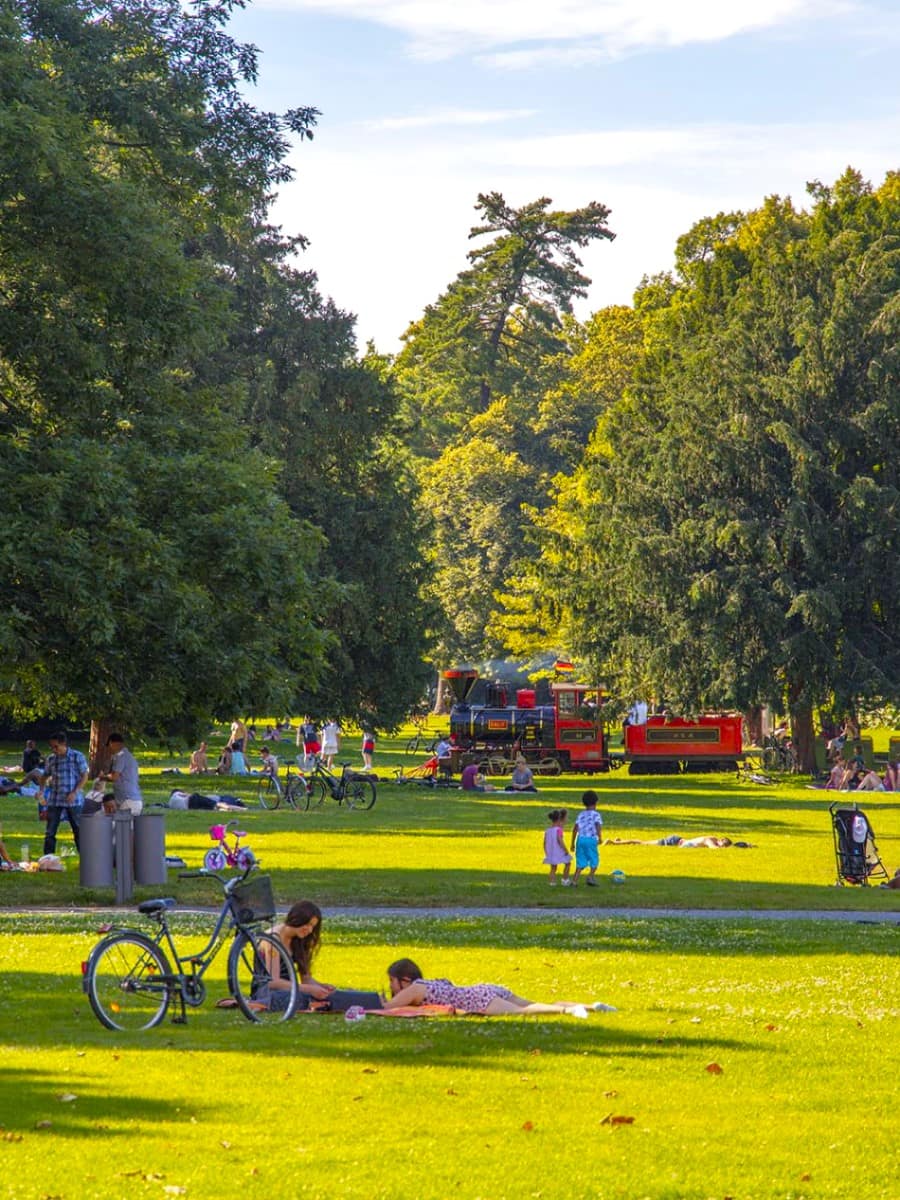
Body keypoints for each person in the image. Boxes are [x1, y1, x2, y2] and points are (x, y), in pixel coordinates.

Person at [382, 958, 614, 1018]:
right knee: (533, 1004)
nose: (391, 986)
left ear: (404, 979)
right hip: (485, 989)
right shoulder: (428, 984)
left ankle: (568, 1010)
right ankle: (592, 1006)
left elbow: (388, 1008)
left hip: (478, 999)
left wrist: (382, 1001)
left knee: (522, 1012)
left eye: (392, 981)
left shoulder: (414, 989)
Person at [262, 900, 383, 1013]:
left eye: (313, 927)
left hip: (291, 991)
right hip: (269, 995)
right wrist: (309, 989)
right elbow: (272, 983)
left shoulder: (298, 939)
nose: (310, 930)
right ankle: (376, 1002)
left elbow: (306, 979)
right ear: (297, 919)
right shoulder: (273, 939)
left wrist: (320, 986)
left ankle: (376, 1000)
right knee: (317, 998)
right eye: (308, 925)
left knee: (328, 995)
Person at [42, 731, 88, 857]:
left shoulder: (77, 756)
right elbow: (44, 776)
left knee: (78, 830)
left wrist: (75, 792)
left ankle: (85, 857)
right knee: (50, 832)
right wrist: (41, 790)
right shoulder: (51, 759)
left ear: (63, 744)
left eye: (56, 746)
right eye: (51, 747)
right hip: (55, 799)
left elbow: (85, 776)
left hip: (73, 800)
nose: (54, 750)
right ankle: (48, 858)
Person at [97, 732, 143, 815]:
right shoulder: (129, 756)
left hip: (127, 801)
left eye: (109, 746)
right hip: (134, 799)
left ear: (111, 743)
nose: (109, 749)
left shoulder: (120, 757)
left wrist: (103, 777)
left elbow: (114, 777)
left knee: (122, 823)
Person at [571, 790, 603, 887]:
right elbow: (598, 825)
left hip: (580, 839)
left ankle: (574, 881)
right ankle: (590, 877)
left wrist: (572, 843)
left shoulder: (581, 814)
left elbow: (575, 829)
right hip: (591, 840)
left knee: (580, 861)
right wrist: (600, 837)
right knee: (594, 859)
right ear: (596, 802)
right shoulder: (596, 815)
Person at [543, 810, 572, 885]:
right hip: (559, 851)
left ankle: (552, 882)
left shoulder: (547, 830)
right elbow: (560, 840)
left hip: (551, 852)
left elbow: (544, 842)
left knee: (553, 868)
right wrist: (565, 849)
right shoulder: (558, 830)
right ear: (559, 819)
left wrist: (546, 851)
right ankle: (565, 880)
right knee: (568, 863)